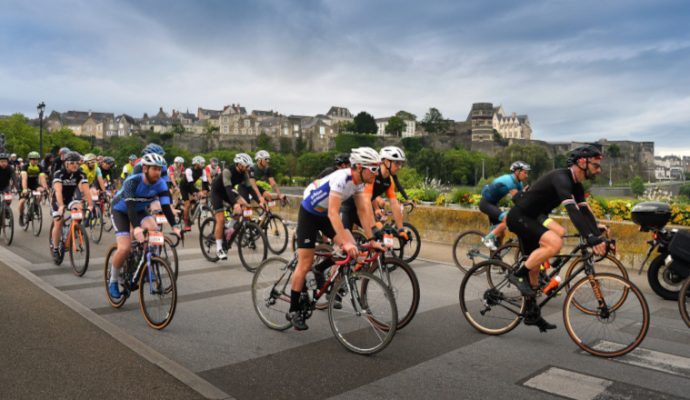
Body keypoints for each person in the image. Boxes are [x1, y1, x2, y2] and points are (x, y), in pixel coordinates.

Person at [506, 145, 608, 331]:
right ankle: (516, 275)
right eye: (596, 165)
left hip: (532, 218)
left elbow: (583, 211)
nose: (599, 170)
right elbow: (572, 212)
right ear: (582, 162)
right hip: (520, 217)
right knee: (555, 242)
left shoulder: (576, 184)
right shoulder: (561, 178)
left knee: (535, 272)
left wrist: (596, 233)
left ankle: (531, 313)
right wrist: (591, 239)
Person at [288, 147, 383, 330]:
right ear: (359, 167)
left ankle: (320, 268)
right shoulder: (342, 177)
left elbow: (363, 210)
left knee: (353, 250)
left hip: (325, 216)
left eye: (377, 168)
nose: (376, 172)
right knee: (305, 262)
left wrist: (371, 239)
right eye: (373, 168)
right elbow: (333, 213)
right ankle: (294, 310)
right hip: (309, 213)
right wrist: (345, 242)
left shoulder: (360, 183)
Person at [107, 154, 180, 299]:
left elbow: (166, 207)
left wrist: (175, 227)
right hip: (121, 210)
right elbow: (130, 207)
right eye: (154, 169)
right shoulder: (132, 181)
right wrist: (137, 227)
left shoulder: (160, 183)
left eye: (160, 169)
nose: (158, 173)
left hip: (139, 210)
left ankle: (148, 264)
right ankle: (113, 280)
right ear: (145, 168)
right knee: (125, 248)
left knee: (154, 229)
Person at [341, 146, 408, 240]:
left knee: (379, 235)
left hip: (360, 210)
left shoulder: (389, 181)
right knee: (344, 244)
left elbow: (394, 203)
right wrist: (373, 227)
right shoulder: (372, 175)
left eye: (401, 164)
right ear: (387, 162)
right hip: (347, 208)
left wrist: (401, 229)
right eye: (397, 163)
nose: (399, 167)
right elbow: (366, 201)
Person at [50, 152, 94, 260]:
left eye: (77, 163)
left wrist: (91, 205)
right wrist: (61, 206)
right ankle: (55, 248)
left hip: (70, 198)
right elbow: (58, 191)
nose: (75, 165)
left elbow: (87, 190)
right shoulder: (59, 173)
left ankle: (74, 229)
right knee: (58, 221)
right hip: (57, 199)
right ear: (66, 164)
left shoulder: (81, 173)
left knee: (78, 210)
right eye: (72, 163)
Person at [479, 161, 531, 250]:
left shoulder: (519, 183)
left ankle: (495, 256)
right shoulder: (509, 180)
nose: (527, 175)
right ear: (517, 172)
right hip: (486, 204)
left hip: (494, 205)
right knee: (507, 220)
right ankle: (487, 239)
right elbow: (518, 199)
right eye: (525, 172)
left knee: (501, 233)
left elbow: (521, 198)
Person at [209, 153, 252, 259]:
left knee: (243, 207)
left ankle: (228, 228)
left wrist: (260, 200)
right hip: (217, 192)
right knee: (221, 219)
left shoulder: (244, 173)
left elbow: (250, 189)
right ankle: (219, 249)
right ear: (239, 164)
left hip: (228, 191)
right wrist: (235, 204)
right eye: (246, 166)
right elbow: (228, 189)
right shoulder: (228, 171)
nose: (248, 168)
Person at [18, 151, 48, 226]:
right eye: (33, 159)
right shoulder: (25, 166)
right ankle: (21, 216)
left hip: (34, 184)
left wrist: (45, 188)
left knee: (40, 192)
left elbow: (42, 179)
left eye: (37, 159)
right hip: (24, 184)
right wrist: (25, 189)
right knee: (22, 201)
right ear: (29, 160)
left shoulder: (40, 167)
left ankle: (35, 206)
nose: (35, 161)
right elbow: (24, 179)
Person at [180, 156, 209, 231]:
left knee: (197, 199)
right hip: (184, 186)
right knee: (187, 204)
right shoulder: (189, 170)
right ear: (196, 164)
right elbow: (190, 183)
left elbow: (205, 182)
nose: (203, 165)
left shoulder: (202, 171)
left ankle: (192, 213)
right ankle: (186, 223)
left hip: (191, 186)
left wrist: (206, 190)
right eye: (201, 163)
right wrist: (199, 191)